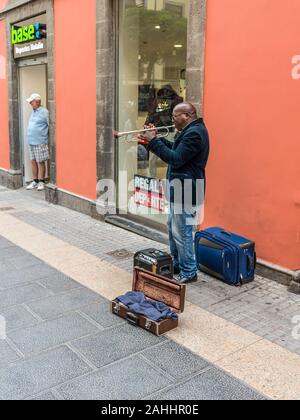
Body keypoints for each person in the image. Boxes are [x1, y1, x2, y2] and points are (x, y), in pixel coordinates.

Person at [140, 102, 210, 284]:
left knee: (182, 232)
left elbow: (176, 159)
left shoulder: (195, 133)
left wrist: (153, 141)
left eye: (174, 116)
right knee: (173, 228)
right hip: (180, 188)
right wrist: (156, 139)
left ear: (187, 115)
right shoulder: (190, 130)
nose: (172, 120)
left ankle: (189, 271)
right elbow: (175, 149)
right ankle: (178, 264)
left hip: (186, 189)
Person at [25, 93, 49, 191]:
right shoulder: (33, 111)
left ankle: (41, 181)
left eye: (32, 102)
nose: (30, 103)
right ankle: (35, 181)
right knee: (33, 161)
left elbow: (50, 125)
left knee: (41, 162)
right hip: (31, 141)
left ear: (37, 102)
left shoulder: (44, 112)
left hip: (40, 141)